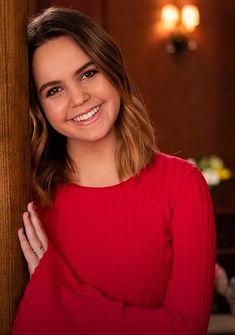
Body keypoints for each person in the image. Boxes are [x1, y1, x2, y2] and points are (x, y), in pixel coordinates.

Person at [12, 6, 216, 335]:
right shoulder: (30, 199)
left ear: (113, 70)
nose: (79, 98)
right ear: (40, 109)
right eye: (54, 90)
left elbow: (185, 329)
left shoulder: (182, 185)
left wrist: (60, 298)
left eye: (87, 73)